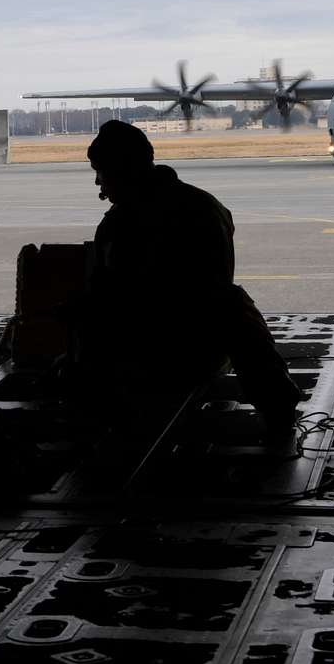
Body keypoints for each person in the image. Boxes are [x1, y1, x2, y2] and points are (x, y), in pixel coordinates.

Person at [64, 120, 302, 449]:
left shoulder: (120, 225)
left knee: (87, 333)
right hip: (200, 343)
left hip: (156, 349)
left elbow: (113, 296)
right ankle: (279, 411)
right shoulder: (205, 206)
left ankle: (100, 424)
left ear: (122, 170)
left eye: (101, 172)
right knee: (233, 306)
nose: (98, 183)